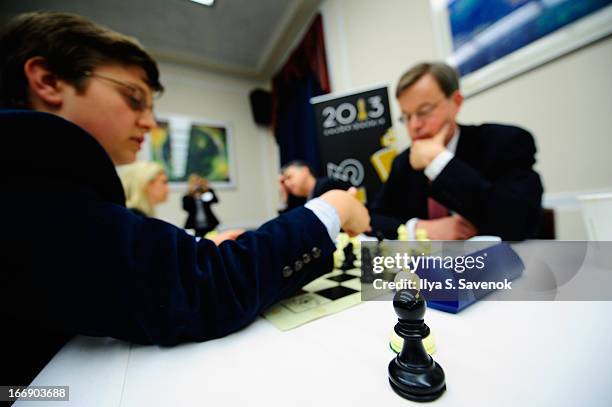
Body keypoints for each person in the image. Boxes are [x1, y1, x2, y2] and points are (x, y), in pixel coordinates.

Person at [0, 11, 370, 388]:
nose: (149, 121)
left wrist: (199, 252)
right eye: (134, 98)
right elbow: (200, 287)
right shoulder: (24, 166)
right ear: (47, 80)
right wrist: (333, 208)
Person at [370, 62, 543, 240]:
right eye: (406, 116)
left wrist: (439, 162)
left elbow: (518, 222)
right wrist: (418, 229)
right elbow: (373, 219)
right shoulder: (404, 162)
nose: (414, 126)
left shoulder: (504, 142)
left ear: (456, 102)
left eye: (424, 111)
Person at [279, 160, 351, 213]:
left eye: (289, 177)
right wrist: (284, 195)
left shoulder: (327, 186)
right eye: (284, 182)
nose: (287, 184)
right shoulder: (299, 202)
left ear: (305, 171)